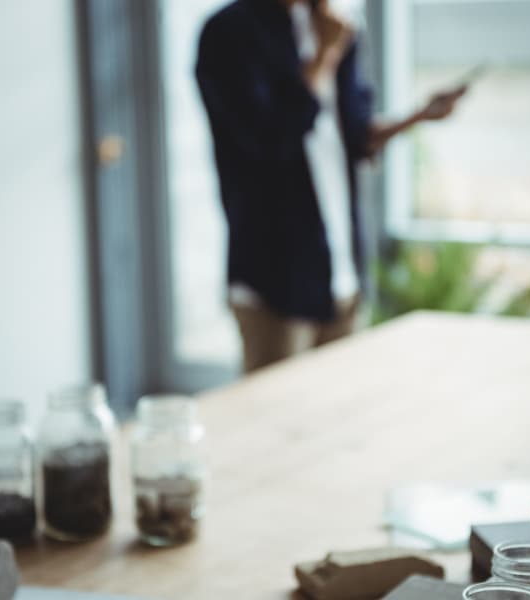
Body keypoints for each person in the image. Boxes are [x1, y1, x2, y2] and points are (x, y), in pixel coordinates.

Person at [196, 0, 466, 372]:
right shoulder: (229, 32)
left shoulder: (334, 26)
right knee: (275, 417)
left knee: (341, 409)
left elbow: (354, 135)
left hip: (341, 267)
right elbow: (268, 139)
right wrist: (325, 55)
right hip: (274, 273)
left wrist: (420, 115)